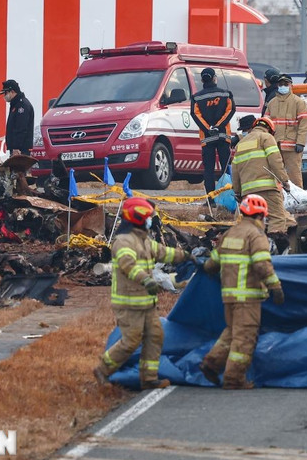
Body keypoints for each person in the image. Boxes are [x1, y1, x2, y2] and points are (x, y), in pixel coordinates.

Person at [94, 197, 188, 388]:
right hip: (129, 303)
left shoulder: (144, 240)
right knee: (131, 341)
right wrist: (145, 279)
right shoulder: (123, 242)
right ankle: (103, 369)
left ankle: (149, 377)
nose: (149, 221)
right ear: (136, 218)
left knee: (155, 336)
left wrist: (186, 256)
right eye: (147, 217)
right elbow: (128, 265)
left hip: (146, 302)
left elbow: (163, 252)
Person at [199, 194, 284, 389]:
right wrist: (275, 287)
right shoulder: (256, 235)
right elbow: (262, 264)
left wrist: (204, 268)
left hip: (228, 295)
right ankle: (234, 379)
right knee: (245, 337)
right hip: (248, 296)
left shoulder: (231, 233)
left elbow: (212, 263)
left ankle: (211, 364)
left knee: (232, 332)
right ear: (261, 215)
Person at [231, 116, 293, 238]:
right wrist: (284, 181)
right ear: (269, 129)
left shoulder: (241, 144)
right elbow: (276, 161)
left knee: (251, 223)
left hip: (247, 193)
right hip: (267, 189)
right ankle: (275, 249)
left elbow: (235, 171)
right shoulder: (266, 137)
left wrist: (237, 192)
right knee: (277, 219)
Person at [190, 67, 236, 199]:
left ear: (202, 80)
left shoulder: (197, 97)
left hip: (207, 138)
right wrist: (218, 126)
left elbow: (195, 114)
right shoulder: (226, 94)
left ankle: (210, 200)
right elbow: (230, 110)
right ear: (214, 78)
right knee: (226, 168)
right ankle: (228, 198)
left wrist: (208, 129)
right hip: (223, 136)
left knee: (208, 171)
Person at [265, 74, 307, 188]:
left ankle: (298, 200)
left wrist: (300, 142)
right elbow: (265, 124)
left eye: (286, 84)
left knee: (294, 175)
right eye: (281, 84)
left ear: (291, 85)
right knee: (275, 174)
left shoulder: (298, 102)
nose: (283, 86)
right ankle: (279, 199)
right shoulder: (272, 103)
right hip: (275, 145)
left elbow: (303, 124)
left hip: (292, 146)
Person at [0, 79, 35, 156]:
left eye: (5, 93)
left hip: (21, 150)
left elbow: (21, 128)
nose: (4, 96)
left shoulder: (22, 106)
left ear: (12, 91)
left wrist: (16, 147)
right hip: (16, 149)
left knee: (19, 167)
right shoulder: (16, 104)